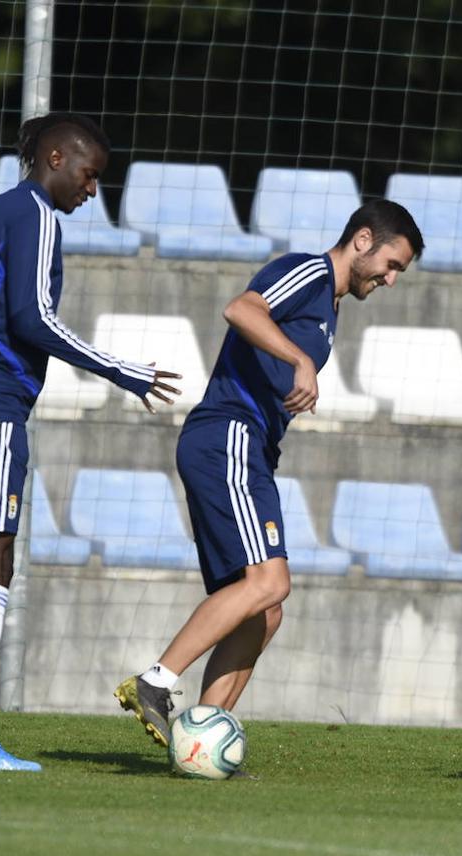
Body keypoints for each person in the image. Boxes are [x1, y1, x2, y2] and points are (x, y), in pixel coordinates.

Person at [0, 113, 180, 771]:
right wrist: (123, 370)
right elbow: (32, 318)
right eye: (89, 176)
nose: (92, 191)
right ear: (56, 157)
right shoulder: (33, 213)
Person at [115, 199, 423, 750]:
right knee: (269, 583)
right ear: (362, 240)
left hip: (249, 449)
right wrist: (300, 362)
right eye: (392, 264)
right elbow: (241, 308)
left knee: (264, 611)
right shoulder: (307, 271)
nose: (391, 279)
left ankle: (198, 741)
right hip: (227, 435)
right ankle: (155, 682)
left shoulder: (330, 305)